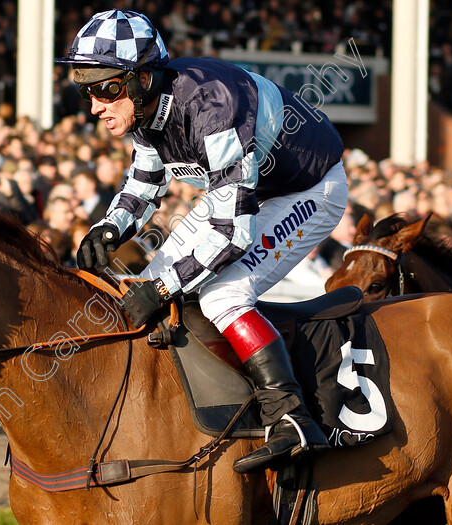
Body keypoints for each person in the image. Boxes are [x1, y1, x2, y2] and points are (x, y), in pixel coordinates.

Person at [59, 9, 348, 474]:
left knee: (222, 292)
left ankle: (291, 418)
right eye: (88, 90)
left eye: (107, 88)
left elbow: (232, 235)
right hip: (247, 192)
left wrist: (163, 289)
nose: (95, 105)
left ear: (143, 80)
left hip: (309, 189)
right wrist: (110, 227)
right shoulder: (147, 109)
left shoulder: (212, 106)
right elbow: (145, 182)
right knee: (148, 283)